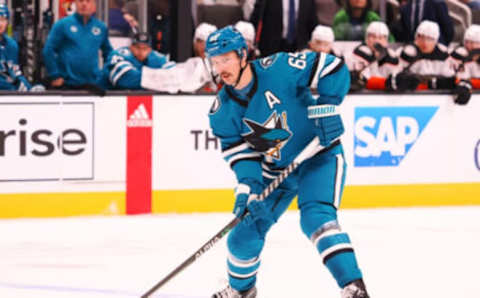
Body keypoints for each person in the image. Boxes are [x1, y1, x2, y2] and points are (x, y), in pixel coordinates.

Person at [205, 26, 369, 298]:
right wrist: (248, 192)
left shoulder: (278, 67)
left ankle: (353, 287)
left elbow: (333, 68)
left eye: (225, 59)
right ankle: (242, 290)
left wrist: (326, 106)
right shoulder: (221, 110)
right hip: (276, 171)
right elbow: (242, 158)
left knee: (316, 218)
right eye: (215, 61)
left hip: (319, 155)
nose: (220, 68)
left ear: (242, 54)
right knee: (242, 234)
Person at [42, 0, 113, 89]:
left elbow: (109, 53)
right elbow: (48, 50)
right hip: (66, 85)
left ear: (94, 5)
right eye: (80, 1)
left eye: (88, 1)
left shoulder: (101, 27)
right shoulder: (62, 25)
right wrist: (55, 75)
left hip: (92, 85)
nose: (84, 4)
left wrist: (105, 75)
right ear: (75, 3)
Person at [348, 21, 417, 91]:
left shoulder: (391, 55)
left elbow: (396, 79)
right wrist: (385, 83)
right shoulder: (361, 52)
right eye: (373, 37)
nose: (376, 41)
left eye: (380, 38)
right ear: (366, 38)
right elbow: (362, 80)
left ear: (386, 40)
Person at [99, 32, 173, 90]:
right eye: (137, 48)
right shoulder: (118, 54)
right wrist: (160, 78)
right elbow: (127, 79)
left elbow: (174, 76)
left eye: (145, 48)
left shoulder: (157, 57)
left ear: (150, 49)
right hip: (107, 100)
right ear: (131, 47)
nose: (141, 52)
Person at [398, 20, 455, 91]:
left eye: (429, 39)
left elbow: (451, 78)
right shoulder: (407, 52)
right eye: (421, 37)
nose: (425, 42)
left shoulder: (444, 54)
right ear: (416, 37)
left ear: (436, 40)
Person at [250, 0, 318, 56]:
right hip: (271, 47)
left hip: (298, 48)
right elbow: (256, 18)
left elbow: (312, 22)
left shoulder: (308, 1)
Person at [0, 4, 39, 92]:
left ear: (7, 21)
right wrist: (13, 86)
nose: (0, 23)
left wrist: (29, 88)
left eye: (3, 19)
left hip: (9, 96)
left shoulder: (12, 45)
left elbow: (15, 73)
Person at [449, 24, 480, 105]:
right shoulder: (458, 55)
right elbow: (457, 78)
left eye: (473, 42)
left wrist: (471, 83)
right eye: (466, 42)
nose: (469, 45)